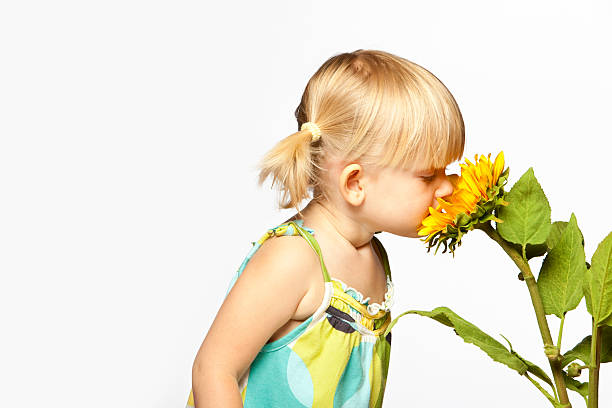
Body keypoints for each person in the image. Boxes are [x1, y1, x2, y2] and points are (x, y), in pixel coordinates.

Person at [187, 49, 464, 407]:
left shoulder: (372, 253)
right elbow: (213, 369)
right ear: (355, 183)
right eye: (429, 175)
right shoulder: (293, 260)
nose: (448, 187)